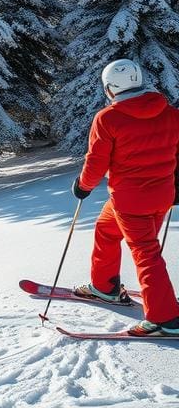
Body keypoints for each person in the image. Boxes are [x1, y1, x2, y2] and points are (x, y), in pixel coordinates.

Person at [72, 59, 179, 336]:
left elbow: (96, 161)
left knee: (146, 253)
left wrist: (83, 186)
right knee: (106, 229)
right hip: (160, 195)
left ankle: (164, 319)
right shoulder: (170, 113)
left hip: (131, 201)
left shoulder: (108, 118)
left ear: (110, 88)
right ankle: (104, 287)